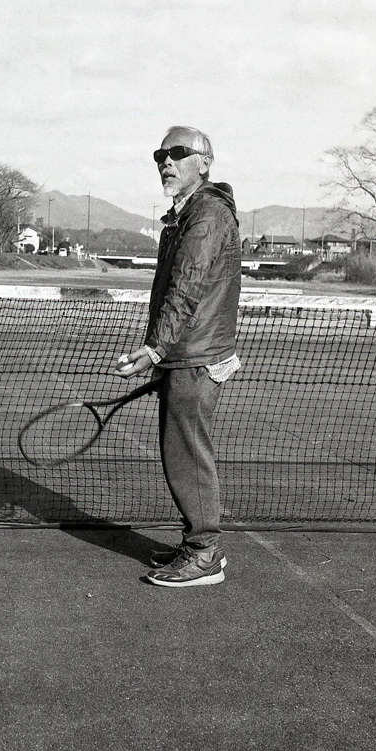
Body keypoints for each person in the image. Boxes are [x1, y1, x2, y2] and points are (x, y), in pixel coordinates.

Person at [114, 125, 241, 587]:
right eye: (159, 155)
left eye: (178, 153)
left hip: (196, 354)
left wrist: (154, 349)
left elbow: (186, 289)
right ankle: (199, 545)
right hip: (185, 353)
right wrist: (160, 353)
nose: (166, 161)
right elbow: (173, 292)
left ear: (204, 162)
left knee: (185, 453)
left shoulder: (206, 215)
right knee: (182, 450)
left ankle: (205, 552)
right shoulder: (183, 214)